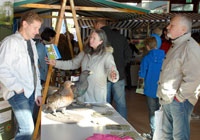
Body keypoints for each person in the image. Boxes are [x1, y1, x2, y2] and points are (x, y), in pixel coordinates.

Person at [0, 11, 43, 140]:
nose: (37, 31)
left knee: (23, 128)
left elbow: (35, 70)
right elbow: (1, 68)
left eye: (38, 28)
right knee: (27, 129)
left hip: (30, 92)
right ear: (24, 24)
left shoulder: (32, 44)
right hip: (18, 92)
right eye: (35, 27)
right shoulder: (10, 42)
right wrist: (17, 87)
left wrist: (38, 92)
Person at [157, 15, 200, 140]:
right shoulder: (176, 45)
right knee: (166, 135)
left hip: (179, 101)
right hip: (169, 99)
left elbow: (195, 77)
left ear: (183, 29)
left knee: (179, 137)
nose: (168, 27)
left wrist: (179, 97)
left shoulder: (190, 47)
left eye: (172, 25)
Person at [46, 29, 119, 103]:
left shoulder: (107, 55)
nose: (91, 40)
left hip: (96, 96)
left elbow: (111, 69)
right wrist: (56, 63)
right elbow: (72, 64)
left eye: (94, 38)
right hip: (82, 95)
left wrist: (113, 75)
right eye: (90, 37)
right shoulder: (85, 52)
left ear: (101, 41)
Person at [94, 20, 132, 119]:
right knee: (121, 103)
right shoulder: (121, 37)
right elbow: (128, 55)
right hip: (119, 75)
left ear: (98, 25)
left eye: (95, 25)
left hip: (103, 76)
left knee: (105, 102)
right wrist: (120, 66)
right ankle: (123, 125)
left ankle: (106, 124)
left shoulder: (98, 38)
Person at [138, 35, 165, 140]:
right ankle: (162, 134)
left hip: (150, 90)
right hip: (162, 90)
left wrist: (140, 90)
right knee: (162, 112)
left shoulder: (146, 58)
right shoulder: (165, 56)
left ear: (148, 46)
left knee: (153, 112)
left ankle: (154, 134)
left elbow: (142, 74)